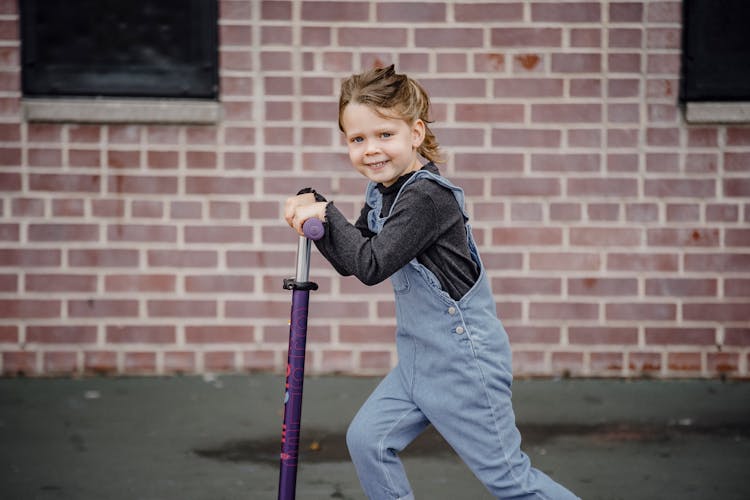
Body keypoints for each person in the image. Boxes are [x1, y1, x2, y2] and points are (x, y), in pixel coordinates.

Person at [284, 65, 578, 500]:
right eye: (357, 139)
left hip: (463, 365)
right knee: (369, 440)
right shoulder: (383, 191)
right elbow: (353, 256)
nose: (371, 150)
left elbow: (371, 264)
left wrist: (324, 212)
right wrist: (318, 213)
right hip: (419, 360)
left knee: (511, 481)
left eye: (385, 135)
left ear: (416, 133)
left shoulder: (427, 198)